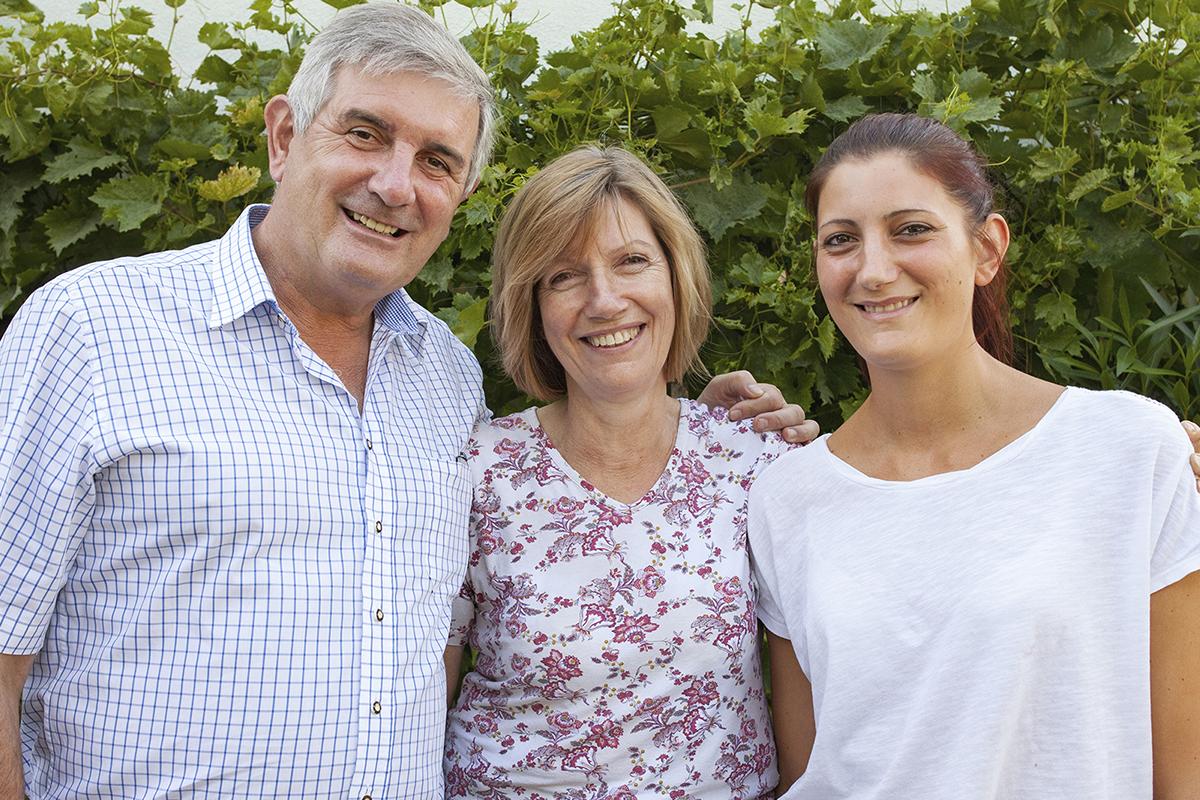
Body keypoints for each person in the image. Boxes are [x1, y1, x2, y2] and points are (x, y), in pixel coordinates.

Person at [0, 5, 812, 799]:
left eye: (435, 160)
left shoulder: (443, 379)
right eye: (365, 134)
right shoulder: (95, 330)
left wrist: (708, 426)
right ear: (284, 137)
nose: (395, 184)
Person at [749, 113, 1200, 799]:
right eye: (840, 240)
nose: (873, 269)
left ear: (987, 249)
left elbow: (1185, 773)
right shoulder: (787, 497)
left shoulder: (1130, 451)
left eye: (911, 229)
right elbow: (808, 771)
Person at [442, 146, 793, 799]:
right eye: (564, 276)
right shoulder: (479, 474)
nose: (605, 300)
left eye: (631, 261)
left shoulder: (754, 462)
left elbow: (816, 685)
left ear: (676, 276)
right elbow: (420, 695)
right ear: (534, 308)